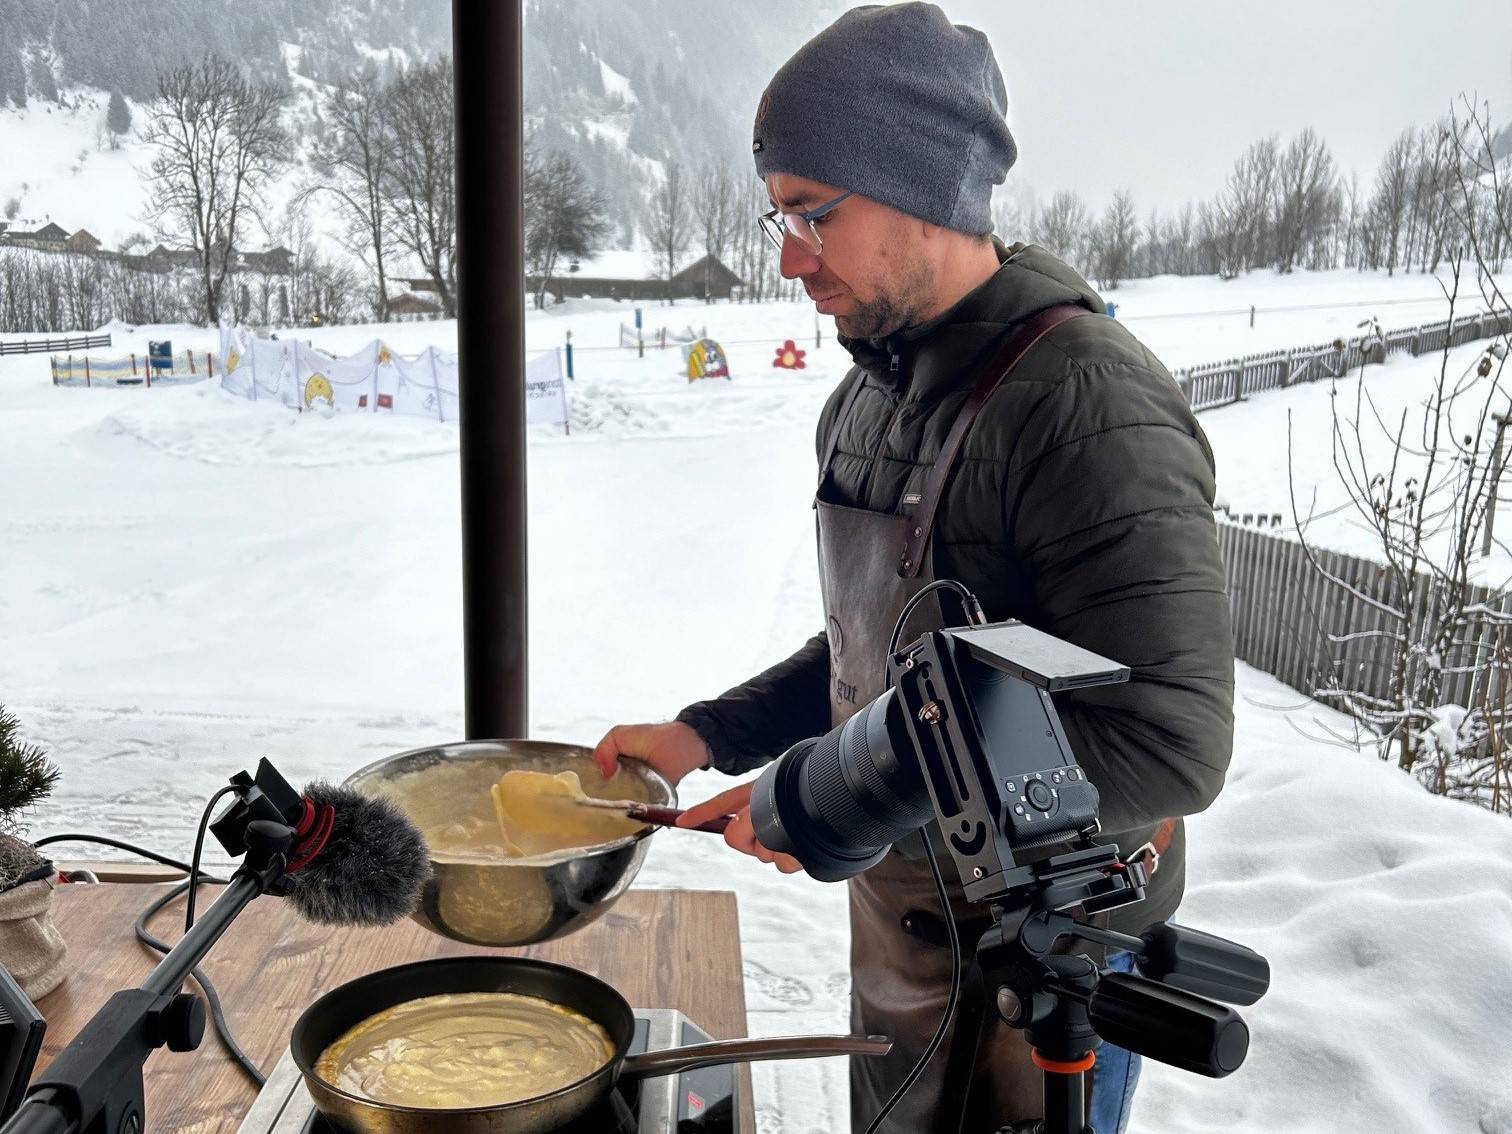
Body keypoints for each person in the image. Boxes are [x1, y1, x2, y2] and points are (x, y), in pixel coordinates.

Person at [592, 4, 1234, 1131]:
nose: (789, 258)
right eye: (777, 215)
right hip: (903, 935)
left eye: (812, 214)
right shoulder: (869, 399)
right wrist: (710, 734)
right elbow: (881, 655)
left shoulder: (1088, 406)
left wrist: (826, 795)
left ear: (924, 186)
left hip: (1044, 975)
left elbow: (1167, 741)